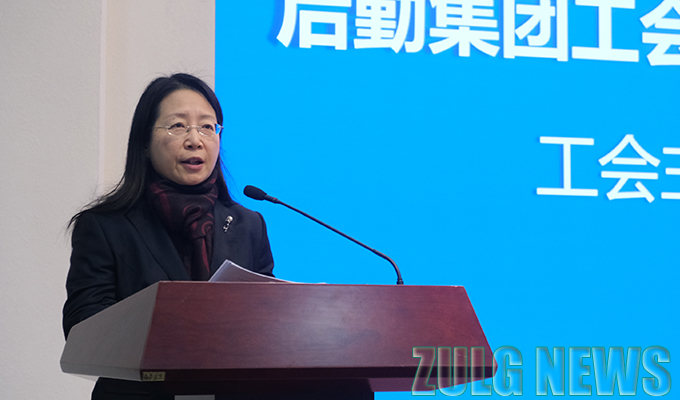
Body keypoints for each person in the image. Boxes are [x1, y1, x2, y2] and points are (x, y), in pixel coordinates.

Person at [63, 73, 275, 400]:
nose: (195, 140)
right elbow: (84, 327)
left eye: (207, 127)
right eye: (178, 126)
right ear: (145, 143)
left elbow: (269, 320)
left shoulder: (249, 225)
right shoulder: (105, 226)